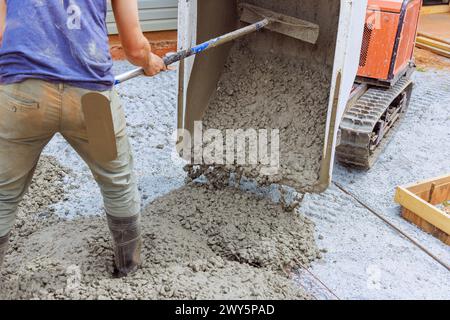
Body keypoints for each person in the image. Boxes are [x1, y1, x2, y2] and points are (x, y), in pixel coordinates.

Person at [0, 0, 167, 277]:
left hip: (23, 98)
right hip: (90, 103)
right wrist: (149, 61)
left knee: (2, 193)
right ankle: (129, 271)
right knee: (117, 183)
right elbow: (135, 49)